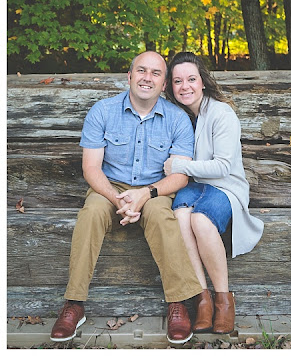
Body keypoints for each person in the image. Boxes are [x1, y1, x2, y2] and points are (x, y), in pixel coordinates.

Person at [50, 51, 203, 344]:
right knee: (91, 212)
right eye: (141, 71)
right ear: (129, 76)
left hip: (155, 188)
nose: (147, 78)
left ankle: (178, 303)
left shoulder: (177, 119)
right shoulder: (102, 111)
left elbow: (180, 176)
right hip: (109, 187)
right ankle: (74, 304)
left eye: (156, 73)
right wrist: (118, 198)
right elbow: (91, 168)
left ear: (164, 85)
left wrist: (145, 194)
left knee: (161, 215)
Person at [163, 52, 264, 335]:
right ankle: (202, 298)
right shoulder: (180, 115)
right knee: (180, 217)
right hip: (196, 187)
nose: (185, 86)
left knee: (201, 220)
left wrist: (179, 165)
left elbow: (221, 166)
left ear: (203, 82)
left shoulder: (221, 113)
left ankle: (223, 300)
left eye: (191, 79)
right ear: (171, 86)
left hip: (226, 187)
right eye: (178, 81)